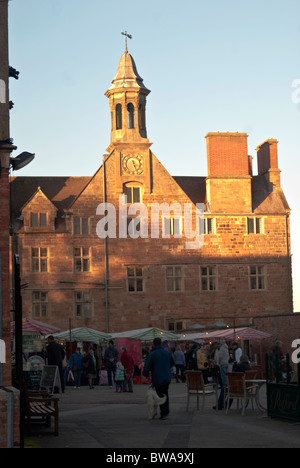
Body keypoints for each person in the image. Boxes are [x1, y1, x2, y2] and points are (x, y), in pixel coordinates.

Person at [143, 337, 174, 420]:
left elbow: (147, 366)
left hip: (157, 377)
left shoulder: (152, 354)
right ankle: (165, 412)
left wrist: (145, 374)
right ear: (161, 343)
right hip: (166, 377)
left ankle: (163, 412)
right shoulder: (167, 353)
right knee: (165, 393)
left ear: (153, 344)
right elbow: (172, 363)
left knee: (159, 394)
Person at [213, 340, 229, 410]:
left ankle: (224, 383)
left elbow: (220, 357)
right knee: (225, 379)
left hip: (222, 364)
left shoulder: (222, 349)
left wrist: (218, 362)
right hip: (226, 364)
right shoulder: (226, 348)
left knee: (224, 382)